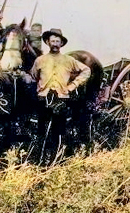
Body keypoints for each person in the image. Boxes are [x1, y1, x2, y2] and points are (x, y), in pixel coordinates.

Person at [29, 28, 91, 162]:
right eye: (52, 41)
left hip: (61, 98)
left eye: (58, 41)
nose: (55, 43)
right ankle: (39, 159)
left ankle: (56, 158)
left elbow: (86, 70)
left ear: (61, 44)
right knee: (41, 129)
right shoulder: (40, 60)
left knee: (58, 130)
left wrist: (73, 85)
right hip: (43, 98)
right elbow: (34, 75)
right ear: (47, 42)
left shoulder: (69, 60)